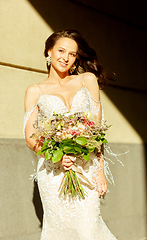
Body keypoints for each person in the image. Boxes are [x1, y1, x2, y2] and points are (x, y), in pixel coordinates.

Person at [24, 29, 117, 240]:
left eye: (72, 54)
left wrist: (100, 170)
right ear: (49, 51)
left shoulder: (87, 80)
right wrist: (53, 154)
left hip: (86, 167)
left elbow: (97, 128)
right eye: (61, 51)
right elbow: (30, 136)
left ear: (76, 58)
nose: (65, 57)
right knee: (60, 232)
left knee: (88, 229)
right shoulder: (35, 91)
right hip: (54, 173)